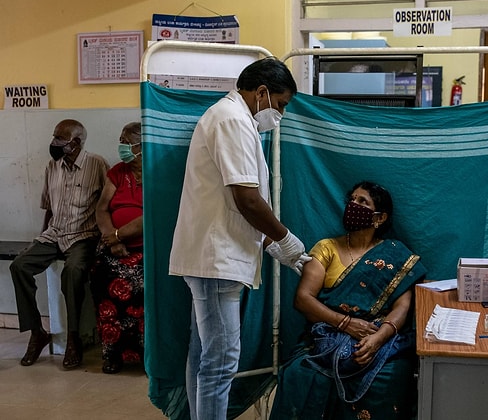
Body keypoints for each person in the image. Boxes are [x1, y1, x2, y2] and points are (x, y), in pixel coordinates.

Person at [169, 57, 311, 420]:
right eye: (280, 104)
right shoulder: (232, 119)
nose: (279, 114)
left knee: (203, 356)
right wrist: (288, 239)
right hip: (216, 261)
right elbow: (246, 199)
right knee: (219, 363)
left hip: (215, 253)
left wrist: (273, 246)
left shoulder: (232, 118)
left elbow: (227, 207)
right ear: (261, 92)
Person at [270, 181, 427, 420]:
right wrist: (345, 323)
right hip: (327, 335)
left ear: (380, 218)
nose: (353, 205)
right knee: (299, 374)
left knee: (390, 376)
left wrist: (377, 339)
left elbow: (402, 307)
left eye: (363, 202)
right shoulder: (327, 248)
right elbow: (303, 299)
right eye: (352, 200)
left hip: (377, 336)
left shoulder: (397, 255)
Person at [10, 119, 109, 369]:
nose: (53, 143)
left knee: (73, 272)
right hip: (55, 233)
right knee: (19, 266)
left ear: (75, 143)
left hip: (83, 235)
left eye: (59, 139)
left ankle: (73, 337)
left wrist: (105, 239)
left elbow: (108, 205)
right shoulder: (51, 167)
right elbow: (49, 208)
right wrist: (39, 240)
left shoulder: (97, 165)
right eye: (54, 137)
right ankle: (37, 332)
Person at [90, 122, 144, 374]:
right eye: (120, 139)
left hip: (144, 247)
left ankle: (145, 354)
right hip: (113, 246)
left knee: (142, 288)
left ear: (141, 146)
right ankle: (112, 353)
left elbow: (151, 216)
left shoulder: (157, 173)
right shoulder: (117, 172)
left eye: (126, 141)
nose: (121, 145)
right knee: (102, 279)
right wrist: (111, 237)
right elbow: (102, 209)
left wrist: (119, 235)